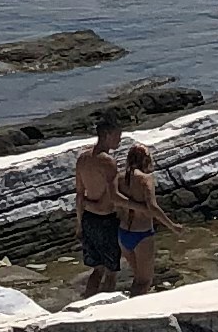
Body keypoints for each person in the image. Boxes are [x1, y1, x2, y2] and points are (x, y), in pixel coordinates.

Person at [71, 113, 125, 296]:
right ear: (108, 135)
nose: (120, 139)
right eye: (118, 135)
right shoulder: (108, 162)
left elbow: (79, 195)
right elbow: (112, 197)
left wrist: (80, 223)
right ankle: (105, 306)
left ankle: (89, 300)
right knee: (111, 271)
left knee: (97, 268)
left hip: (88, 220)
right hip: (106, 220)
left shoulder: (82, 159)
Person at [116, 138, 177, 295]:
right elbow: (153, 207)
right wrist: (172, 226)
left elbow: (115, 201)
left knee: (138, 278)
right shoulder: (146, 178)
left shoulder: (120, 177)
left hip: (123, 233)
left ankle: (132, 304)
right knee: (145, 281)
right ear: (145, 159)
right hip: (141, 234)